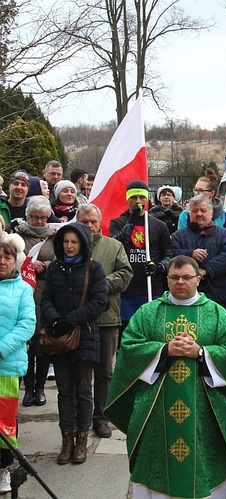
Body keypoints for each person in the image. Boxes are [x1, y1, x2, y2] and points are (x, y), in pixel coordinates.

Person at [105, 255, 226, 499]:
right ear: (167, 279)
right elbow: (129, 347)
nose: (180, 282)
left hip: (203, 407)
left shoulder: (216, 313)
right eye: (174, 277)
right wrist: (164, 350)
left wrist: (201, 352)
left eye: (186, 277)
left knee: (204, 461)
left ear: (198, 279)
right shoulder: (149, 312)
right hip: (157, 408)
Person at [41, 223, 108, 465]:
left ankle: (82, 439)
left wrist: (71, 319)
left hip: (85, 337)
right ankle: (66, 439)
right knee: (64, 391)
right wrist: (55, 319)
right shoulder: (55, 269)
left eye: (74, 242)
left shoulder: (94, 268)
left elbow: (100, 302)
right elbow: (46, 298)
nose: (69, 246)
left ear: (82, 244)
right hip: (60, 339)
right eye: (66, 241)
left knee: (82, 390)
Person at [76, 204, 133, 439]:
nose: (89, 226)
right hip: (78, 319)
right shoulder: (70, 245)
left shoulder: (114, 246)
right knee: (80, 373)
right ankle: (82, 418)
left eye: (93, 222)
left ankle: (101, 418)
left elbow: (125, 274)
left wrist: (98, 285)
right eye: (85, 222)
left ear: (100, 223)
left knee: (104, 372)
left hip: (106, 319)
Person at [110, 179, 172, 327]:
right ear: (127, 199)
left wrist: (159, 267)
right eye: (133, 197)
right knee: (128, 330)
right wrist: (132, 219)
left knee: (150, 328)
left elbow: (169, 254)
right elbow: (117, 245)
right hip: (127, 291)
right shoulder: (117, 223)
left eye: (142, 197)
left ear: (147, 199)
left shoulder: (159, 225)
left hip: (151, 289)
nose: (138, 201)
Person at [0, 241, 36, 493]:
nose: (2, 261)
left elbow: (26, 325)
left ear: (15, 261)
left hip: (7, 366)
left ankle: (3, 469)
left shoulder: (23, 289)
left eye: (7, 257)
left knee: (4, 422)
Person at [17, 196, 57, 407]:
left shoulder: (55, 236)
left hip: (46, 295)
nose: (40, 222)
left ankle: (40, 387)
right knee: (26, 344)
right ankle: (28, 387)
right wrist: (29, 264)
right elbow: (10, 258)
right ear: (27, 217)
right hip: (23, 295)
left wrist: (46, 265)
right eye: (35, 217)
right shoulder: (17, 236)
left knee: (43, 345)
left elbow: (62, 260)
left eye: (43, 218)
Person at [172, 195, 226, 312]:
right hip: (186, 298)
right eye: (195, 210)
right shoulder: (178, 236)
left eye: (203, 210)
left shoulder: (224, 235)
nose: (199, 214)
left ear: (211, 214)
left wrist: (206, 270)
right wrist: (190, 254)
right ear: (189, 213)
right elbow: (172, 254)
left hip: (218, 296)